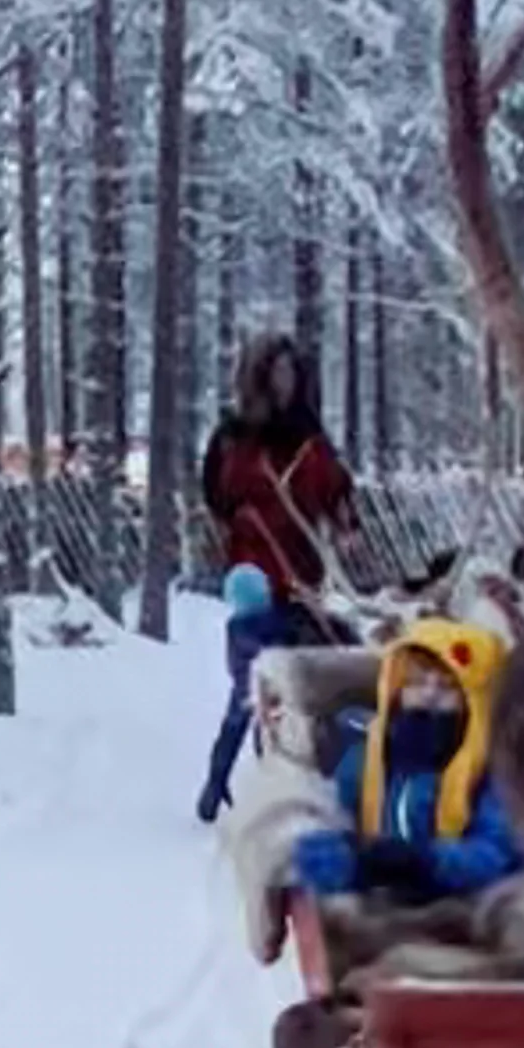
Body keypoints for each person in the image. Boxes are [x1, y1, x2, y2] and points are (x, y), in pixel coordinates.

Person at [194, 333, 356, 822]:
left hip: (302, 578)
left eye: (292, 373)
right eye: (276, 373)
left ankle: (292, 780)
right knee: (252, 681)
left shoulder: (310, 442)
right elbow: (214, 498)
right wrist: (231, 530)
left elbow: (337, 492)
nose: (285, 383)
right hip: (253, 578)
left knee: (300, 682)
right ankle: (219, 777)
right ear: (258, 379)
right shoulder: (231, 440)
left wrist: (348, 526)